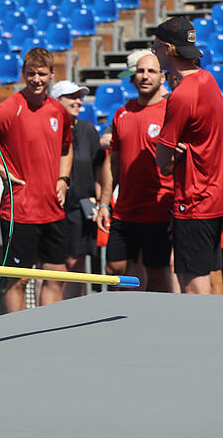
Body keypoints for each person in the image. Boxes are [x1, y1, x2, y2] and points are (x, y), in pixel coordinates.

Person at [0, 47, 73, 310]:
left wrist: (63, 179)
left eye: (42, 74)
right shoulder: (8, 109)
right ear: (23, 73)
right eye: (31, 73)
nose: (36, 79)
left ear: (52, 74)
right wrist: (2, 171)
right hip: (19, 211)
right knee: (18, 280)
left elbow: (67, 146)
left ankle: (50, 329)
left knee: (56, 276)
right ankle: (17, 333)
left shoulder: (59, 111)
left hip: (53, 209)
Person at [152, 16, 223, 294]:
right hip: (216, 196)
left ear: (167, 49)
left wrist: (170, 156)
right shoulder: (208, 79)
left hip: (194, 200)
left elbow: (162, 161)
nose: (154, 53)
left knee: (194, 286)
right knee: (207, 276)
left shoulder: (182, 95)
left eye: (155, 48)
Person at [96, 52, 175, 292]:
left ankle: (155, 317)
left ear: (162, 77)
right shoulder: (122, 113)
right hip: (125, 211)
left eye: (151, 71)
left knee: (157, 275)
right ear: (132, 77)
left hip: (159, 211)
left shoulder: (170, 111)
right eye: (140, 71)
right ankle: (120, 316)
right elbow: (113, 163)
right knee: (114, 270)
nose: (145, 76)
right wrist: (104, 204)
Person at [50, 80, 103, 299]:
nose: (78, 101)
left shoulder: (89, 130)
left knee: (76, 263)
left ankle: (72, 312)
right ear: (57, 101)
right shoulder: (49, 130)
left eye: (80, 97)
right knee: (53, 266)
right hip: (54, 207)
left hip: (82, 208)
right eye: (72, 97)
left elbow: (99, 168)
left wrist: (100, 202)